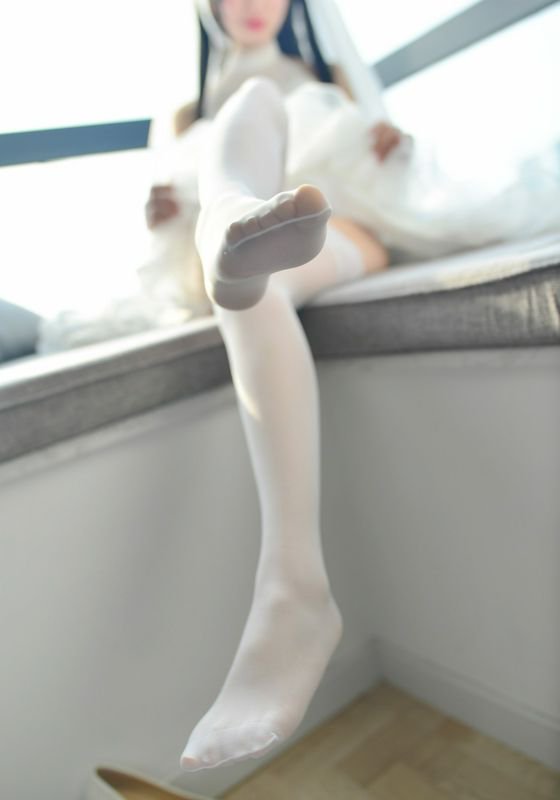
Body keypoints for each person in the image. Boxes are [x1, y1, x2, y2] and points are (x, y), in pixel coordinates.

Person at [143, 0, 559, 773]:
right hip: (225, 264)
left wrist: (393, 146)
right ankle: (228, 223)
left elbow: (388, 155)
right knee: (251, 162)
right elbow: (157, 207)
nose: (251, 5)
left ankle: (292, 591)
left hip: (335, 229)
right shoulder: (179, 116)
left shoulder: (326, 73)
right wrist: (160, 209)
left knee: (256, 257)